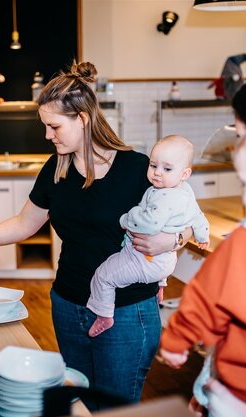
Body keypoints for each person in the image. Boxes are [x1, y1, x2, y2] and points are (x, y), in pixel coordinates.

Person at [0, 61, 193, 407]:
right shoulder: (56, 168)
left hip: (127, 314)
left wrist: (170, 240)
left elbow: (187, 218)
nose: (47, 136)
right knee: (80, 404)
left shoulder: (136, 169)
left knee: (115, 410)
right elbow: (25, 223)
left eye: (53, 126)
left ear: (82, 119)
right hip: (68, 305)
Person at [160, 110, 246, 417]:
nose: (243, 193)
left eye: (245, 184)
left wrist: (176, 340)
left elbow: (204, 300)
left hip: (241, 396)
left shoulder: (243, 244)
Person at [87, 135, 210, 337]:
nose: (157, 173)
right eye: (153, 165)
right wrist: (202, 234)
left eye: (167, 169)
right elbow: (197, 215)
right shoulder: (185, 191)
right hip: (164, 262)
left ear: (185, 173)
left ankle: (104, 315)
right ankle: (159, 287)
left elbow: (148, 223)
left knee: (104, 276)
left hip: (146, 260)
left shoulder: (165, 198)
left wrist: (126, 219)